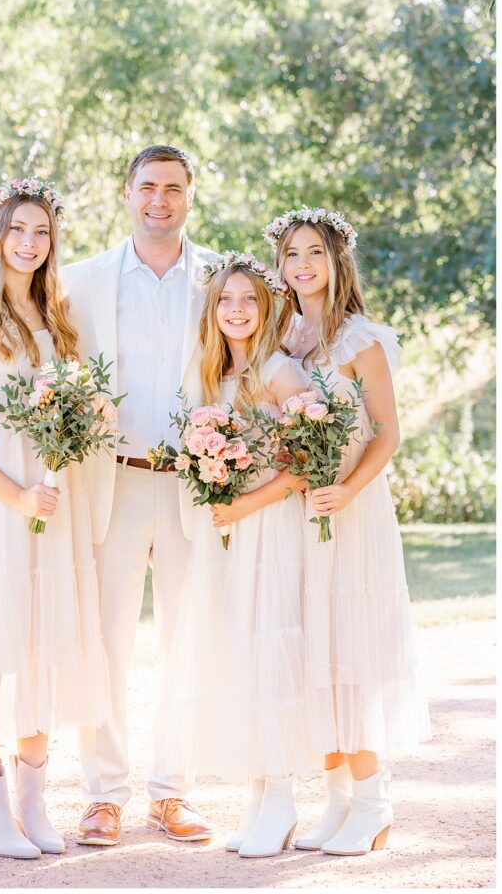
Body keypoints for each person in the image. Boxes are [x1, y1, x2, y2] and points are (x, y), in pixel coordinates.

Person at [0, 147, 217, 846]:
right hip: (108, 482)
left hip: (198, 483)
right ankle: (104, 795)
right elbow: (11, 357)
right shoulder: (77, 282)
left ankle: (173, 793)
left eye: (173, 188)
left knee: (185, 641)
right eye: (147, 187)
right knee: (101, 645)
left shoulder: (220, 280)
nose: (159, 199)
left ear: (188, 195)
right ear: (127, 193)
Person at [0, 178, 108, 858]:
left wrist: (91, 412)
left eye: (41, 232)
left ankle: (35, 802)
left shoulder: (59, 322)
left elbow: (87, 404)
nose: (29, 243)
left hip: (53, 500)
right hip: (0, 504)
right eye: (18, 230)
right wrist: (15, 495)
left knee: (41, 645)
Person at [266, 206, 431, 856]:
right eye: (292, 254)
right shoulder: (283, 338)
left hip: (350, 511)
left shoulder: (362, 338)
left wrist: (347, 489)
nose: (303, 265)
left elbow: (387, 431)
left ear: (338, 261)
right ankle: (337, 801)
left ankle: (374, 797)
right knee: (315, 650)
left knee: (350, 651)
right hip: (301, 515)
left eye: (315, 252)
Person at [154, 253, 318, 858]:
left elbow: (307, 464)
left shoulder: (277, 371)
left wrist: (245, 507)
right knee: (240, 657)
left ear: (266, 305)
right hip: (226, 533)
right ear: (213, 308)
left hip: (268, 530)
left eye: (249, 299)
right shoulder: (213, 372)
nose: (237, 310)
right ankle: (259, 802)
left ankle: (281, 801)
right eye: (226, 299)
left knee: (269, 652)